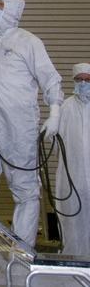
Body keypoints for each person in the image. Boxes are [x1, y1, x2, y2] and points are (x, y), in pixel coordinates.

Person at [0, 0, 63, 247]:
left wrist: (55, 112)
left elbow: (50, 78)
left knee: (25, 189)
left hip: (18, 126)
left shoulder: (28, 42)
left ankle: (21, 251)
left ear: (11, 10)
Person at [57, 64, 90, 256]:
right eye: (79, 79)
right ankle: (74, 257)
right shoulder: (65, 107)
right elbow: (55, 140)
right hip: (72, 174)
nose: (83, 83)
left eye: (87, 79)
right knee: (73, 217)